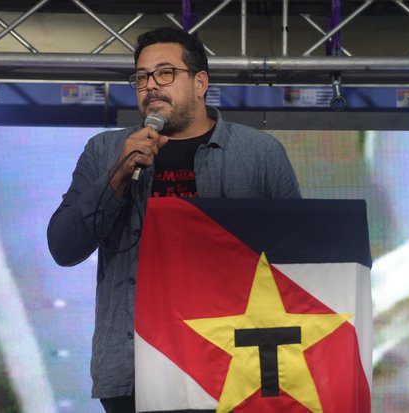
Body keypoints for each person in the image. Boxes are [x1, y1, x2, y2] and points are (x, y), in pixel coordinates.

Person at [47, 26, 301, 412]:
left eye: (165, 73)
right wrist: (118, 174)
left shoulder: (259, 153)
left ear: (200, 83)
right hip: (135, 369)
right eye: (141, 77)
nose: (151, 85)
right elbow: (64, 247)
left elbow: (298, 260)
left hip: (233, 365)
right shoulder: (105, 151)